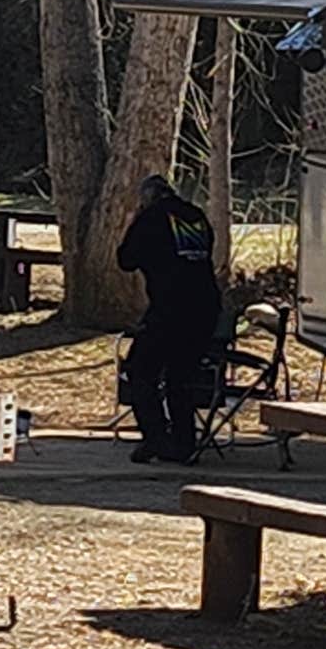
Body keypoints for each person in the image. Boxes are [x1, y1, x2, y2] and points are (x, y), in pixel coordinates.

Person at [118, 173, 221, 464]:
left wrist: (136, 221)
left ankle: (156, 438)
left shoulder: (151, 218)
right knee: (181, 377)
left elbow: (126, 259)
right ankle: (184, 444)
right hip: (206, 307)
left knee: (140, 371)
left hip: (171, 307)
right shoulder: (195, 215)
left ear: (147, 198)